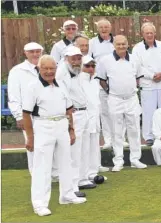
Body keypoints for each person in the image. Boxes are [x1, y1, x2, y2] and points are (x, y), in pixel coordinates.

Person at [23, 55, 85, 216]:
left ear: (56, 69)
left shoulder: (61, 85)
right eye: (46, 68)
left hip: (62, 126)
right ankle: (39, 204)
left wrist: (71, 130)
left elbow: (69, 109)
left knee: (66, 162)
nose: (49, 71)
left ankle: (67, 195)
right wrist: (30, 137)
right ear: (39, 68)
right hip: (43, 126)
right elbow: (26, 114)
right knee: (42, 167)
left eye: (52, 68)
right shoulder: (32, 86)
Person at [95, 35, 147, 171]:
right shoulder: (105, 60)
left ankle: (135, 159)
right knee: (116, 131)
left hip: (132, 99)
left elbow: (137, 79)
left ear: (127, 44)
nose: (121, 47)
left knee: (134, 129)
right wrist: (111, 92)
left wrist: (129, 90)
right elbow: (102, 80)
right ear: (113, 45)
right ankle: (118, 161)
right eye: (118, 44)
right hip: (114, 99)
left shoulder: (135, 59)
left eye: (124, 44)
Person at [54, 47, 97, 192]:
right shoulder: (62, 73)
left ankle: (82, 179)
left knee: (84, 148)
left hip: (83, 112)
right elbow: (63, 96)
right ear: (66, 58)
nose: (77, 61)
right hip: (73, 114)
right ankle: (71, 186)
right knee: (73, 151)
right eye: (74, 58)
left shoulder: (77, 71)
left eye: (79, 58)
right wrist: (69, 118)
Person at [134, 22, 161, 146]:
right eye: (147, 33)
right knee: (148, 111)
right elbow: (137, 66)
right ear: (142, 34)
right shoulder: (137, 48)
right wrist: (151, 76)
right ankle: (149, 137)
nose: (149, 35)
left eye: (151, 33)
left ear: (155, 33)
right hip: (147, 85)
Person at [8, 42, 44, 175]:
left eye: (37, 51)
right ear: (25, 53)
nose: (35, 54)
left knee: (48, 144)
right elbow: (13, 96)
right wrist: (18, 116)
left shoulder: (47, 67)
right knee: (32, 144)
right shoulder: (17, 71)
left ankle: (50, 174)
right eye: (32, 51)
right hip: (28, 115)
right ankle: (36, 175)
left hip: (47, 115)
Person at [89, 19, 118, 150]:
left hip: (116, 82)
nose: (104, 29)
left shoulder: (117, 41)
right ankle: (108, 140)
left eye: (106, 27)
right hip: (99, 83)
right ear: (98, 29)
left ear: (110, 28)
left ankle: (119, 139)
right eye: (101, 27)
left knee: (118, 113)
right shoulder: (92, 43)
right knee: (105, 113)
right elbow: (89, 62)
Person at [79, 56, 108, 183]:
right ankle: (83, 176)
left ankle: (92, 173)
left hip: (94, 119)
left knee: (94, 147)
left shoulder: (94, 81)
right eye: (87, 66)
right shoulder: (78, 81)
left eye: (92, 66)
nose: (90, 69)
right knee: (83, 149)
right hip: (83, 120)